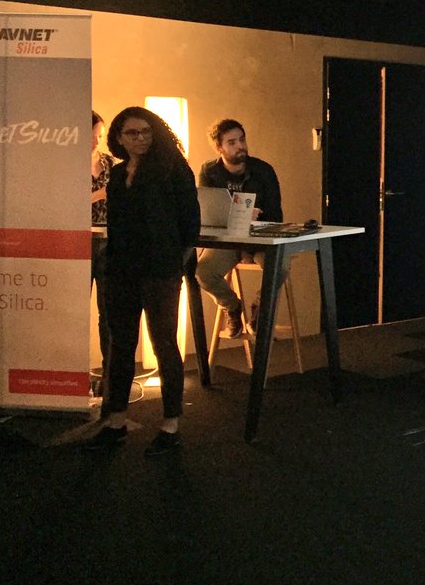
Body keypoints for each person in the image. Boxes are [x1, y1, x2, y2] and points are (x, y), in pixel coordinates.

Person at [87, 107, 200, 456]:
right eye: (132, 133)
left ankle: (170, 425)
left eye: (146, 131)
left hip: (160, 269)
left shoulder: (173, 168)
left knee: (164, 343)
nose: (141, 139)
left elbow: (190, 223)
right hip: (122, 269)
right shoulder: (119, 174)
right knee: (120, 345)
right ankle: (116, 422)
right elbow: (117, 225)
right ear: (119, 138)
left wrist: (175, 264)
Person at [195, 119, 288, 336]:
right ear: (219, 147)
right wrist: (240, 217)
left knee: (279, 268)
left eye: (242, 140)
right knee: (203, 272)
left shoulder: (263, 170)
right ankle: (232, 306)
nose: (240, 146)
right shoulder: (209, 171)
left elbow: (275, 215)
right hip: (228, 238)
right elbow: (208, 211)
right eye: (232, 142)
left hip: (260, 237)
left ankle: (259, 307)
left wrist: (249, 240)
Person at [89, 111, 115, 402]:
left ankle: (110, 380)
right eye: (93, 135)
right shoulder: (65, 164)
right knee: (73, 312)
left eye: (99, 135)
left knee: (108, 313)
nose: (97, 140)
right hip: (79, 241)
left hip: (109, 241)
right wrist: (97, 195)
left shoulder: (109, 162)